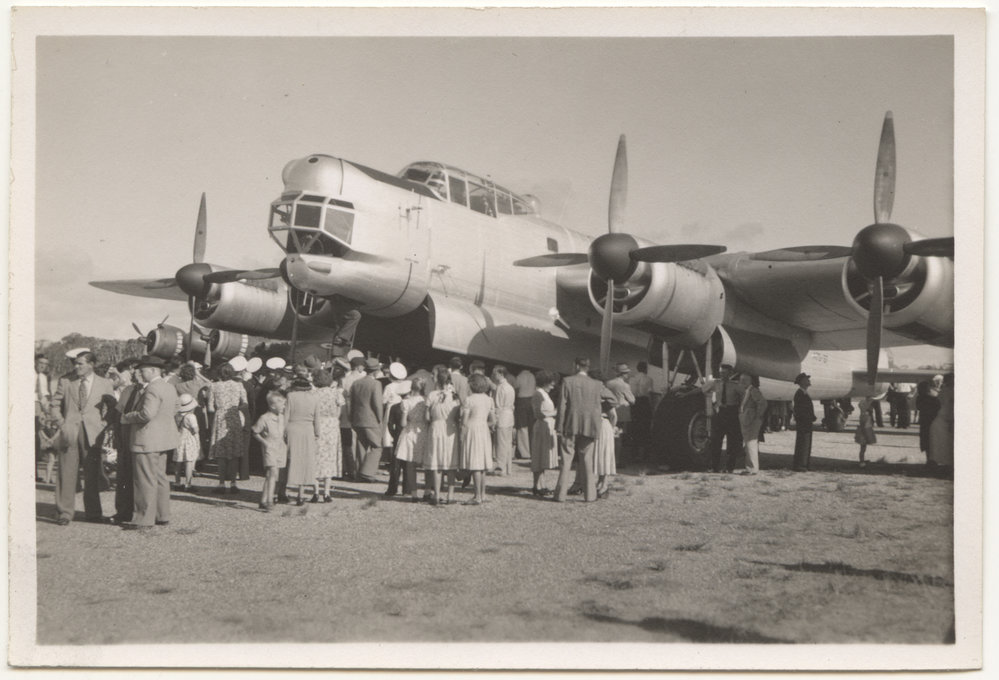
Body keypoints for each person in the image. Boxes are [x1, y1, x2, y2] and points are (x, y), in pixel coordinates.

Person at [49, 350, 115, 525]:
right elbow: (54, 405)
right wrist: (62, 424)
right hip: (69, 432)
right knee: (66, 473)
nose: (76, 366)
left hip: (93, 434)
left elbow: (113, 408)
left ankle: (93, 513)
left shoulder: (105, 383)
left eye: (80, 363)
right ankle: (64, 513)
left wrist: (103, 424)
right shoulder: (66, 381)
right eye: (75, 363)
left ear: (91, 364)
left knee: (92, 474)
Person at [120, 356, 179, 530]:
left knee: (145, 480)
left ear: (153, 370)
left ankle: (144, 519)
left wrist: (128, 416)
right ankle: (163, 515)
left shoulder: (152, 388)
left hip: (145, 440)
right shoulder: (169, 387)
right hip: (163, 440)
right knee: (160, 478)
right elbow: (176, 407)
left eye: (142, 370)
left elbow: (146, 414)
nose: (139, 373)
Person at [554, 357, 602, 503]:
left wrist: (559, 426)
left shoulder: (568, 381)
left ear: (575, 365)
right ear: (588, 367)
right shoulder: (597, 384)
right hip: (589, 425)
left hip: (570, 424)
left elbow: (562, 405)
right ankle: (590, 495)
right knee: (587, 460)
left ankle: (560, 495)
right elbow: (607, 402)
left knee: (566, 459)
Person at [207, 362, 251, 495]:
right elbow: (245, 404)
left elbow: (210, 407)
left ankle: (221, 483)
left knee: (221, 453)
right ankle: (233, 483)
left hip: (220, 418)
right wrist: (236, 409)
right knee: (234, 453)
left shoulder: (213, 386)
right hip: (234, 417)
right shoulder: (239, 385)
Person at [425, 366, 460, 505]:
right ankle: (450, 495)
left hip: (436, 428)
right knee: (450, 462)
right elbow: (458, 415)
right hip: (450, 428)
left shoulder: (432, 395)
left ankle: (437, 494)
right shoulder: (455, 396)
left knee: (437, 462)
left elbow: (427, 417)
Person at [391, 377, 429, 502]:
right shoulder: (426, 400)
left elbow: (402, 423)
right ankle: (428, 491)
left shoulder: (406, 402)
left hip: (409, 431)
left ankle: (413, 494)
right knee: (427, 464)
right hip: (423, 431)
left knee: (410, 464)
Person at [460, 373, 495, 505]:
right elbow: (493, 420)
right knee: (482, 465)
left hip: (472, 429)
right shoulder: (488, 399)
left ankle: (477, 496)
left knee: (475, 463)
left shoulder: (469, 399)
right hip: (483, 429)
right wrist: (484, 425)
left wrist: (462, 434)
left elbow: (464, 421)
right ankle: (483, 494)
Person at [702, 363, 744, 473]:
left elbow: (744, 397)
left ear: (731, 373)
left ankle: (730, 467)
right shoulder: (716, 383)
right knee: (716, 440)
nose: (722, 375)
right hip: (720, 413)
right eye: (721, 372)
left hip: (732, 413)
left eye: (725, 373)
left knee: (732, 442)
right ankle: (715, 467)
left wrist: (741, 410)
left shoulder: (736, 385)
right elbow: (702, 390)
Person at [285, 377, 321, 504]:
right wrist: (317, 433)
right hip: (308, 430)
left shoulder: (290, 396)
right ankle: (301, 493)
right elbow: (317, 418)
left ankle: (284, 491)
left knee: (292, 460)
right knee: (306, 462)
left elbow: (286, 415)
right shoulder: (315, 398)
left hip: (293, 428)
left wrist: (283, 432)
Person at [251, 391, 288, 511]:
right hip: (270, 447)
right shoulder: (264, 418)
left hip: (280, 447)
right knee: (273, 473)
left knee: (271, 475)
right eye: (282, 405)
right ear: (272, 406)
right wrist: (264, 442)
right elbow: (255, 431)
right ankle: (269, 500)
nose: (284, 407)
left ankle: (263, 499)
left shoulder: (282, 417)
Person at [350, 357, 385, 483]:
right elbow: (377, 404)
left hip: (357, 418)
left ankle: (360, 473)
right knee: (377, 446)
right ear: (376, 371)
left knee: (361, 446)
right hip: (371, 419)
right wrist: (380, 419)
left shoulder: (356, 383)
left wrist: (351, 417)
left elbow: (352, 403)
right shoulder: (376, 384)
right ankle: (367, 472)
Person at [314, 369, 344, 502]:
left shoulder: (313, 394)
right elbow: (339, 412)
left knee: (316, 457)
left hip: (318, 424)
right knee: (330, 457)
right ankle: (326, 493)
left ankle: (315, 491)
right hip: (332, 425)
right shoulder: (336, 393)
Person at [529, 370, 559, 496]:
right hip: (541, 426)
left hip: (547, 426)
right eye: (551, 384)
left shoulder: (544, 394)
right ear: (545, 383)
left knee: (542, 457)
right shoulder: (538, 394)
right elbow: (537, 413)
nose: (553, 386)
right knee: (539, 456)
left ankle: (542, 484)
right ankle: (536, 485)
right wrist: (555, 413)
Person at [605, 362, 636, 463]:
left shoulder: (608, 383)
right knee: (619, 436)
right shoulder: (625, 385)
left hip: (609, 410)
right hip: (622, 412)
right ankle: (616, 460)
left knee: (609, 434)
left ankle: (607, 459)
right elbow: (632, 400)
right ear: (623, 374)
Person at [738, 373, 767, 475]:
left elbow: (762, 403)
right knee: (749, 444)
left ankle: (752, 468)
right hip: (747, 419)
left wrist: (757, 416)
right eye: (741, 380)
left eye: (744, 380)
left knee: (750, 444)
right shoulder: (748, 391)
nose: (741, 382)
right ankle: (751, 468)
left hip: (751, 420)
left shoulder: (753, 391)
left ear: (749, 381)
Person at [491, 366, 515, 476]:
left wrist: (494, 419)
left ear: (501, 374)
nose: (493, 375)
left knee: (501, 444)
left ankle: (501, 468)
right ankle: (508, 468)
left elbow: (498, 405)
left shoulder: (500, 388)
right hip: (510, 416)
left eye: (495, 373)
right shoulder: (510, 387)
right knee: (508, 443)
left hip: (502, 417)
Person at [628, 361, 654, 461]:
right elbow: (650, 393)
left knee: (635, 428)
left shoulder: (632, 379)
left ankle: (634, 454)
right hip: (645, 402)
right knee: (645, 428)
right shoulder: (649, 379)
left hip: (635, 402)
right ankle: (645, 454)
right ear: (645, 368)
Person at [174, 393, 201, 491]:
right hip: (189, 440)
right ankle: (188, 484)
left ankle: (177, 482)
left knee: (178, 462)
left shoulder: (177, 415)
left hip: (178, 439)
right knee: (189, 462)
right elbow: (196, 430)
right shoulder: (191, 417)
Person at [927, 374, 953, 472]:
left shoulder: (947, 390)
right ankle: (935, 461)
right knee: (938, 441)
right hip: (943, 418)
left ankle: (947, 462)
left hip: (946, 417)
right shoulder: (945, 391)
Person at [791, 372, 816, 472]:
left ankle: (804, 464)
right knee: (803, 444)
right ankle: (800, 465)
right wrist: (807, 419)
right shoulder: (800, 394)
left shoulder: (803, 393)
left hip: (806, 422)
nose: (809, 381)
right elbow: (800, 410)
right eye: (807, 379)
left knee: (806, 443)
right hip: (803, 423)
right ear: (802, 382)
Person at [594, 397, 618, 498]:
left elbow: (613, 416)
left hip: (604, 426)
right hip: (594, 426)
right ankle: (600, 480)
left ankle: (605, 482)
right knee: (598, 454)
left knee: (604, 453)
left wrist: (611, 428)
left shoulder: (605, 401)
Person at [915, 379, 941, 463]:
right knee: (932, 440)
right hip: (933, 421)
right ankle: (933, 460)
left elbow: (918, 407)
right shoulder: (934, 398)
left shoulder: (920, 398)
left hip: (924, 421)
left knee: (925, 441)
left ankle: (929, 460)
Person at [513, 368, 536, 460]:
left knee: (522, 427)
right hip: (531, 401)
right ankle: (531, 450)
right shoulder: (532, 376)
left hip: (522, 401)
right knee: (531, 426)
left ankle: (524, 452)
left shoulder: (519, 377)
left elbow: (516, 390)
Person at [854, 396, 878, 468]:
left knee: (862, 448)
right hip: (864, 434)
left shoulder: (862, 413)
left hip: (862, 432)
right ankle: (861, 462)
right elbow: (866, 427)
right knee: (863, 448)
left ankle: (862, 460)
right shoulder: (867, 416)